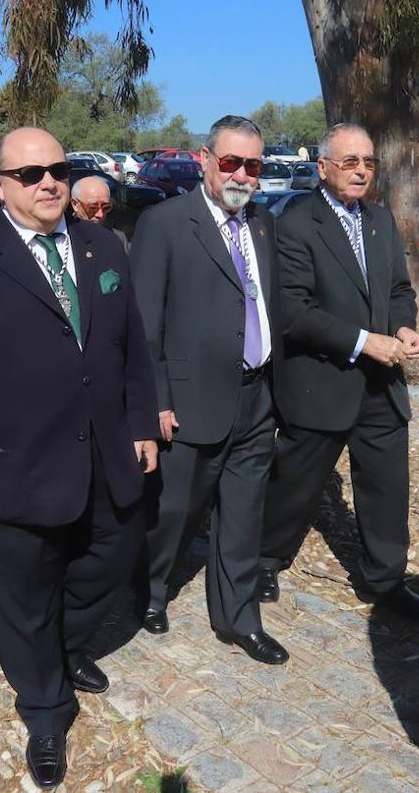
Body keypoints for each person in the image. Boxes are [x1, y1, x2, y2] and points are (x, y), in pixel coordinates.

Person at [0, 127, 158, 790]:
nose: (47, 182)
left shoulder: (102, 243)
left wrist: (140, 420)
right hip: (9, 463)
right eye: (29, 174)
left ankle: (62, 647)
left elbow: (131, 343)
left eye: (57, 168)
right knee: (21, 596)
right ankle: (46, 709)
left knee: (114, 553)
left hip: (105, 450)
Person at [258, 122, 419, 623]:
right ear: (323, 168)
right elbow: (292, 310)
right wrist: (363, 343)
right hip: (322, 380)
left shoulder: (380, 219)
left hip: (382, 382)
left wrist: (404, 328)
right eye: (350, 162)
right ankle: (264, 558)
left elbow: (399, 289)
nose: (361, 171)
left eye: (369, 162)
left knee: (386, 485)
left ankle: (385, 580)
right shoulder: (295, 222)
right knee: (296, 480)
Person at [129, 115, 288, 666]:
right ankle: (148, 591)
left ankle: (239, 618)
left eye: (253, 165)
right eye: (231, 162)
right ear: (205, 160)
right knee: (172, 512)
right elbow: (145, 323)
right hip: (189, 402)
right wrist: (156, 401)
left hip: (256, 397)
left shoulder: (263, 225)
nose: (242, 174)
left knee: (243, 517)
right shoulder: (165, 223)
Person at [70, 175, 129, 250]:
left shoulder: (117, 238)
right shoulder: (64, 236)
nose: (100, 215)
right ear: (75, 204)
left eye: (106, 208)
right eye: (92, 208)